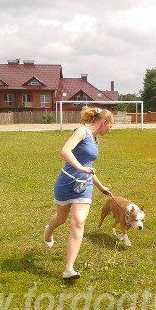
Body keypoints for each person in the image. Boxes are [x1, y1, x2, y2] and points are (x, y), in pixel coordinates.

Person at [44, 107, 114, 279]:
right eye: (111, 126)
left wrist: (100, 186)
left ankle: (69, 269)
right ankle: (49, 230)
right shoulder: (82, 131)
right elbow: (65, 151)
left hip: (84, 186)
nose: (110, 130)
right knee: (60, 219)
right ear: (103, 122)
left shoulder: (95, 140)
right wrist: (81, 168)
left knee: (78, 222)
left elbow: (89, 167)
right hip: (66, 182)